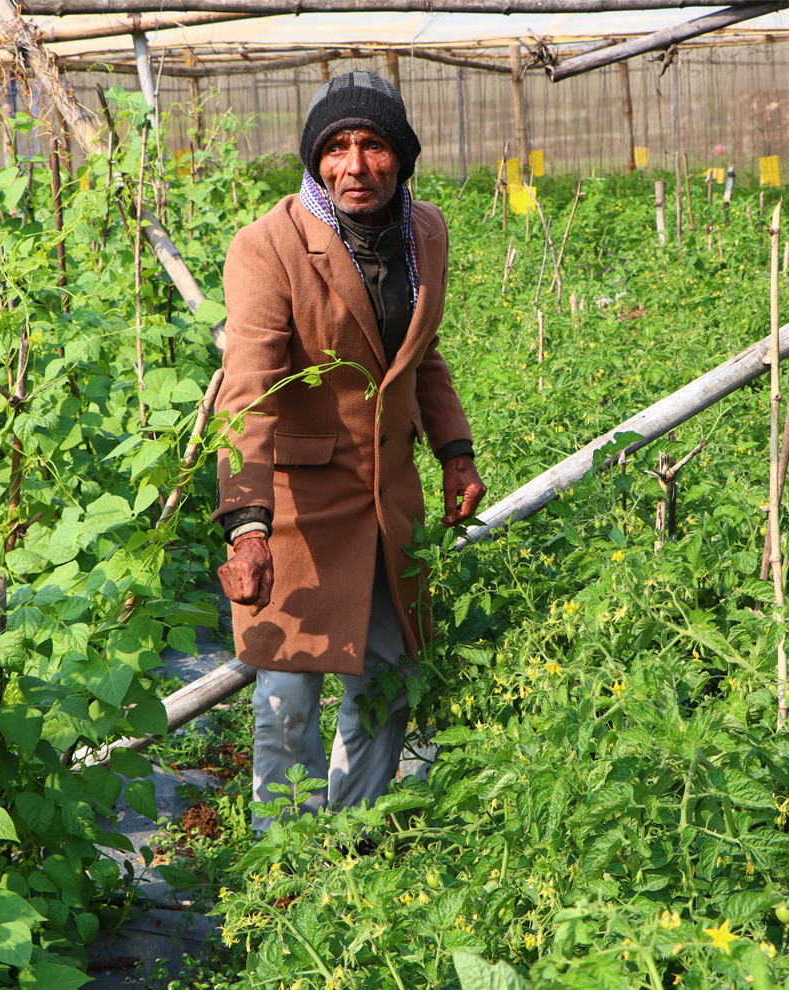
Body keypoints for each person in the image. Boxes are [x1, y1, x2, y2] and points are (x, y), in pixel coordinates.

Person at [211, 72, 486, 828]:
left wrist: (454, 451)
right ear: (314, 159)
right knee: (288, 696)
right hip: (297, 511)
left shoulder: (424, 233)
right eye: (336, 147)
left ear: (402, 156)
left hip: (389, 499)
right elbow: (247, 394)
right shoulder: (268, 247)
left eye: (373, 145)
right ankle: (287, 857)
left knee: (390, 677)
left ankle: (355, 838)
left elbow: (420, 356)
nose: (354, 165)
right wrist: (247, 527)